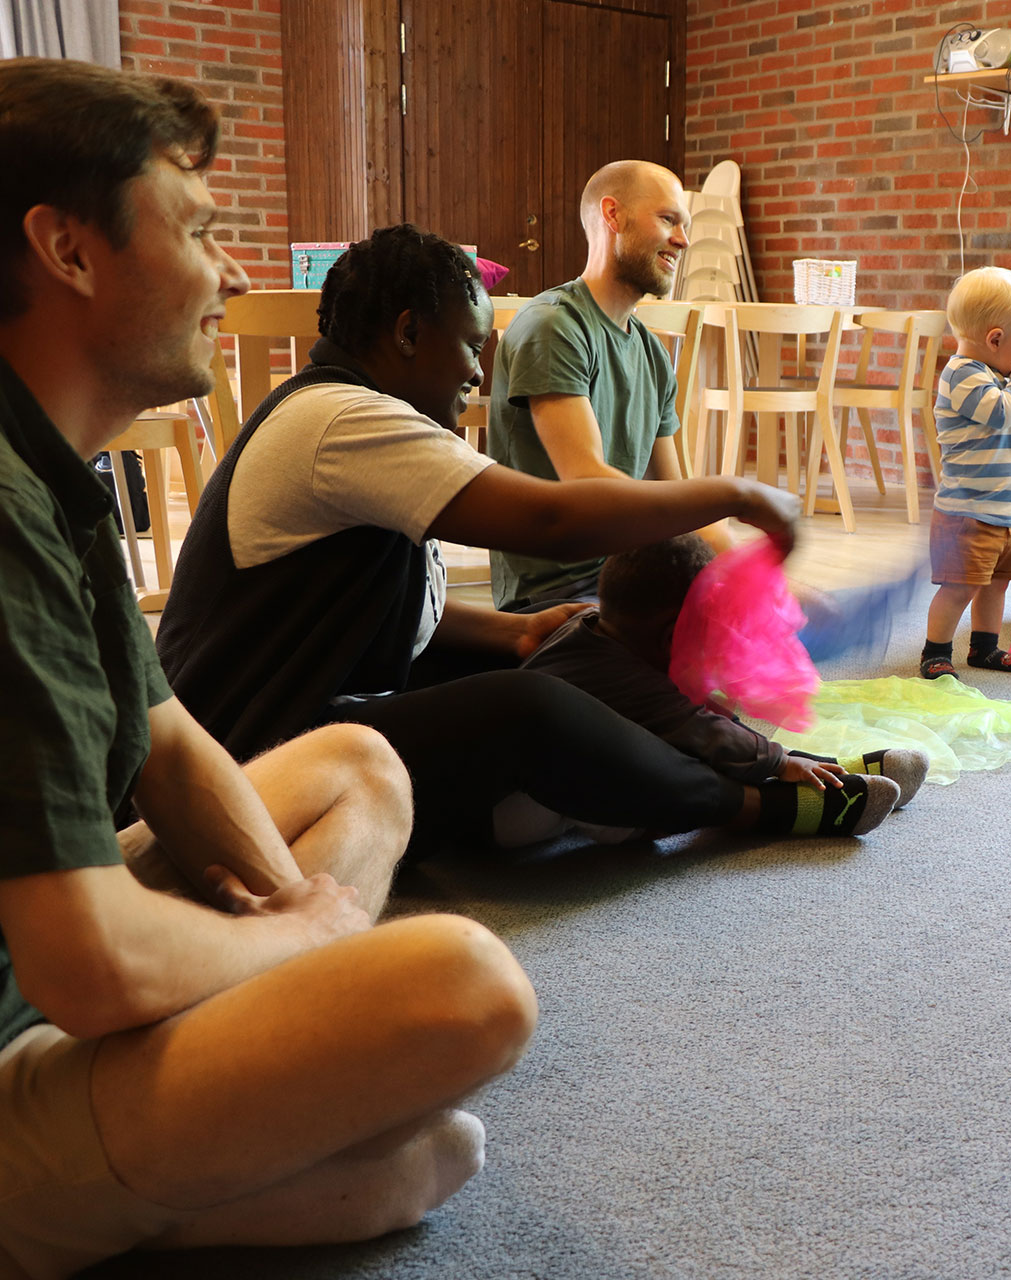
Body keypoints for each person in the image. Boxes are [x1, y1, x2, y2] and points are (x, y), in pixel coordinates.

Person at [0, 59, 537, 1276]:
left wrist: (301, 923)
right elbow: (84, 957)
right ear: (67, 250)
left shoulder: (47, 464)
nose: (234, 272)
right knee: (459, 1014)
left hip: (41, 965)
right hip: (30, 1008)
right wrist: (299, 952)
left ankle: (212, 1124)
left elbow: (171, 739)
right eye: (196, 230)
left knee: (362, 761)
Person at [157, 225, 899, 845]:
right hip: (254, 756)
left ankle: (775, 763)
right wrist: (737, 493)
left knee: (563, 655)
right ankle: (753, 803)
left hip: (323, 706)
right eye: (471, 346)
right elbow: (553, 521)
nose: (478, 372)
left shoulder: (347, 415)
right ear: (410, 333)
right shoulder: (343, 419)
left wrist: (513, 633)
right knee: (533, 711)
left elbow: (384, 613)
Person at [520, 535, 929, 815]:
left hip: (544, 771)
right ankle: (790, 805)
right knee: (665, 778)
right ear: (670, 637)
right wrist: (778, 760)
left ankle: (824, 768)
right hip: (527, 809)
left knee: (708, 719)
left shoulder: (599, 627)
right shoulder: (627, 678)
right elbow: (699, 729)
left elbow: (702, 714)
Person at [487, 159, 697, 612]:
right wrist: (733, 511)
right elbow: (588, 483)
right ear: (613, 215)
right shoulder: (554, 326)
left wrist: (751, 581)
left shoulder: (653, 354)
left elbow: (672, 499)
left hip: (629, 585)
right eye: (668, 219)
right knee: (678, 679)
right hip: (555, 598)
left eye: (685, 225)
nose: (683, 239)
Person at [921, 266, 1011, 679]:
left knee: (997, 585)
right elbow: (999, 414)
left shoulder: (998, 377)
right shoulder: (962, 374)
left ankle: (984, 647)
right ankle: (936, 650)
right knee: (960, 587)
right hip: (968, 514)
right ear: (995, 338)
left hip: (1007, 511)